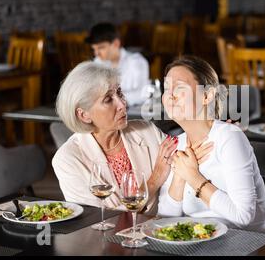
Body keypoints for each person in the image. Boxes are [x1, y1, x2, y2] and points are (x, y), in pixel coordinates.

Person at [52, 61, 211, 213]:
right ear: (84, 115)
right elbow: (97, 220)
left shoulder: (145, 130)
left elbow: (186, 152)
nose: (122, 104)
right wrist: (154, 181)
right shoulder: (67, 160)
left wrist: (214, 129)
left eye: (119, 93)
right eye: (108, 99)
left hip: (158, 231)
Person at [157, 56, 265, 235]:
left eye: (180, 87)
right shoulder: (177, 144)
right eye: (166, 88)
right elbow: (165, 218)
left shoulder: (230, 137)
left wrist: (193, 176)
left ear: (207, 96)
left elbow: (244, 216)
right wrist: (179, 176)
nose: (170, 95)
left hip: (254, 241)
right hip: (203, 243)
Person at [86, 22, 149, 106]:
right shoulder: (98, 62)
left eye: (101, 47)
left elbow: (143, 94)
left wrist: (108, 98)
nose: (96, 53)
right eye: (94, 49)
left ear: (116, 43)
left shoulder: (136, 62)